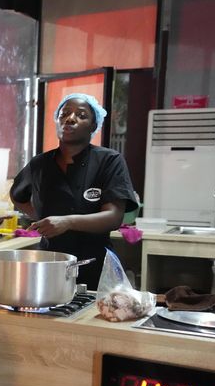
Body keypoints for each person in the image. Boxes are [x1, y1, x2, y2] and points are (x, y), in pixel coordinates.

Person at [10, 93, 138, 290]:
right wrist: (42, 217)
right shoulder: (40, 164)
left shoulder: (109, 161)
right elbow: (17, 196)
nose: (70, 119)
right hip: (50, 263)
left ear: (93, 126)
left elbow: (114, 217)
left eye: (81, 115)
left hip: (95, 265)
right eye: (64, 114)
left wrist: (66, 222)